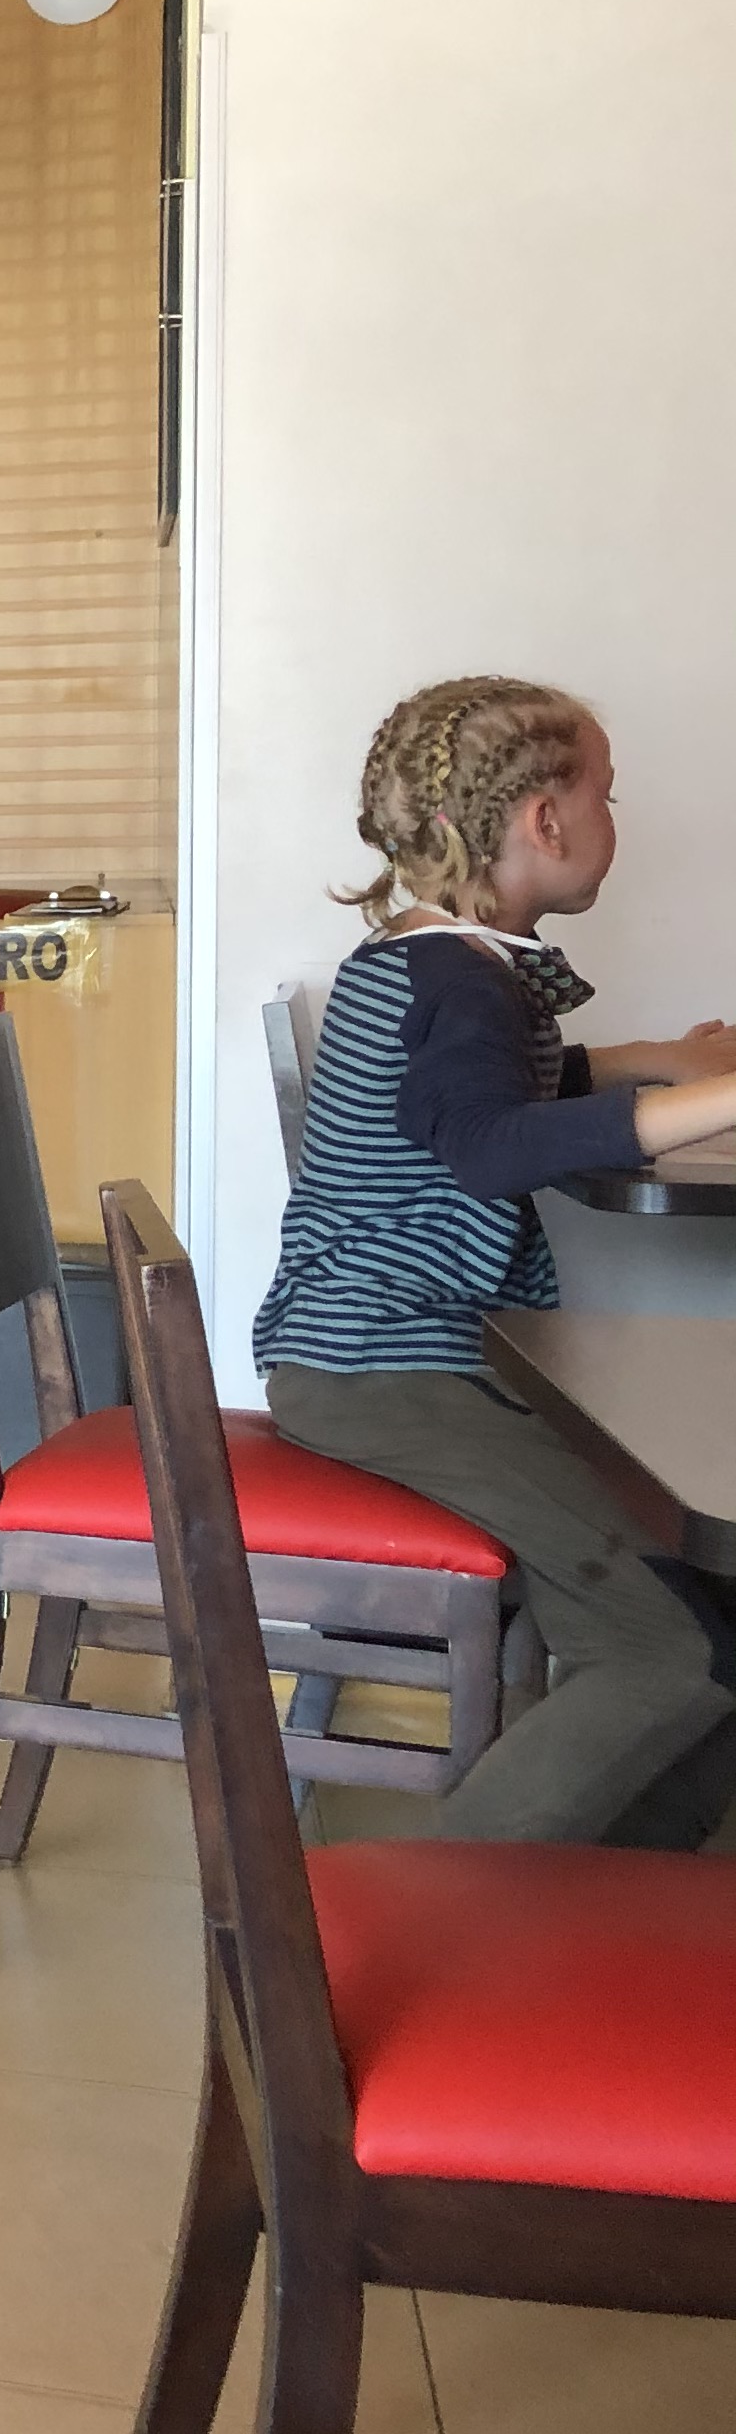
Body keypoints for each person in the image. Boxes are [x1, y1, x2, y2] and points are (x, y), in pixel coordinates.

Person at [257, 675, 736, 1850]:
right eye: (608, 794)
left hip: (374, 1356)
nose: (616, 819)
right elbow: (486, 1141)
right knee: (669, 1651)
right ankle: (440, 1912)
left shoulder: (436, 961)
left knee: (704, 1619)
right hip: (387, 1369)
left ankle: (621, 1896)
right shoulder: (459, 981)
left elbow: (473, 1095)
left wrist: (648, 1059)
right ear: (546, 821)